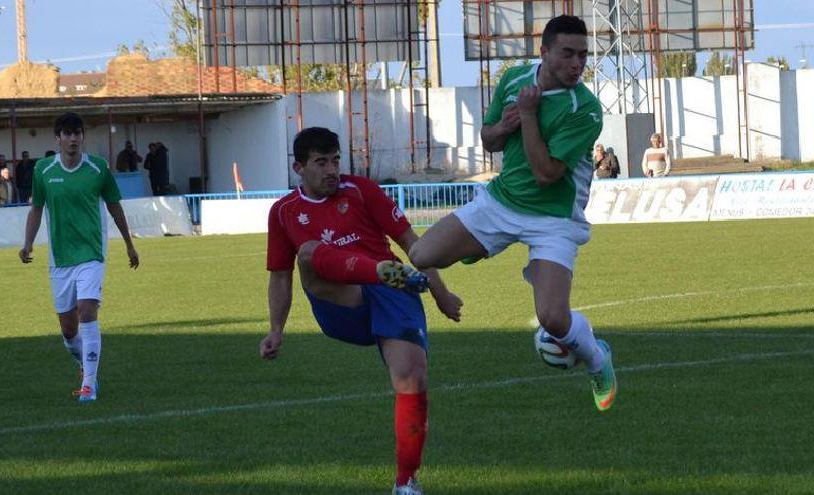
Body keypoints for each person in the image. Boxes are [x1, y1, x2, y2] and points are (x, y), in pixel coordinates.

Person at [407, 15, 617, 413]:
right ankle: (483, 244)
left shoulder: (585, 109)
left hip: (554, 219)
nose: (577, 64)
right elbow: (489, 140)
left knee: (553, 319)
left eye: (583, 56)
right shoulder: (514, 79)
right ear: (544, 52)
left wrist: (530, 114)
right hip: (500, 203)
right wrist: (505, 125)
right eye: (568, 54)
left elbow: (546, 174)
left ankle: (597, 359)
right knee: (421, 256)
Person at [259, 127, 463, 495]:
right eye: (321, 162)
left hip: (392, 294)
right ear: (298, 167)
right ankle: (381, 270)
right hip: (340, 299)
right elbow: (280, 276)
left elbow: (411, 243)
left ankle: (406, 482)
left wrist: (441, 293)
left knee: (412, 379)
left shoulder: (362, 190)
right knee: (308, 253)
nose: (332, 169)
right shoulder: (283, 212)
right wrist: (276, 329)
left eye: (335, 160)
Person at [19, 112, 139, 403]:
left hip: (91, 255)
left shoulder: (97, 169)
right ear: (57, 138)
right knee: (68, 330)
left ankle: (89, 384)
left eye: (78, 133)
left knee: (87, 309)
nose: (73, 139)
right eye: (68, 133)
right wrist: (28, 244)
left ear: (82, 137)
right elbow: (36, 209)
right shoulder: (43, 170)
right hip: (60, 259)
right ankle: (84, 365)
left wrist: (129, 245)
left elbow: (115, 207)